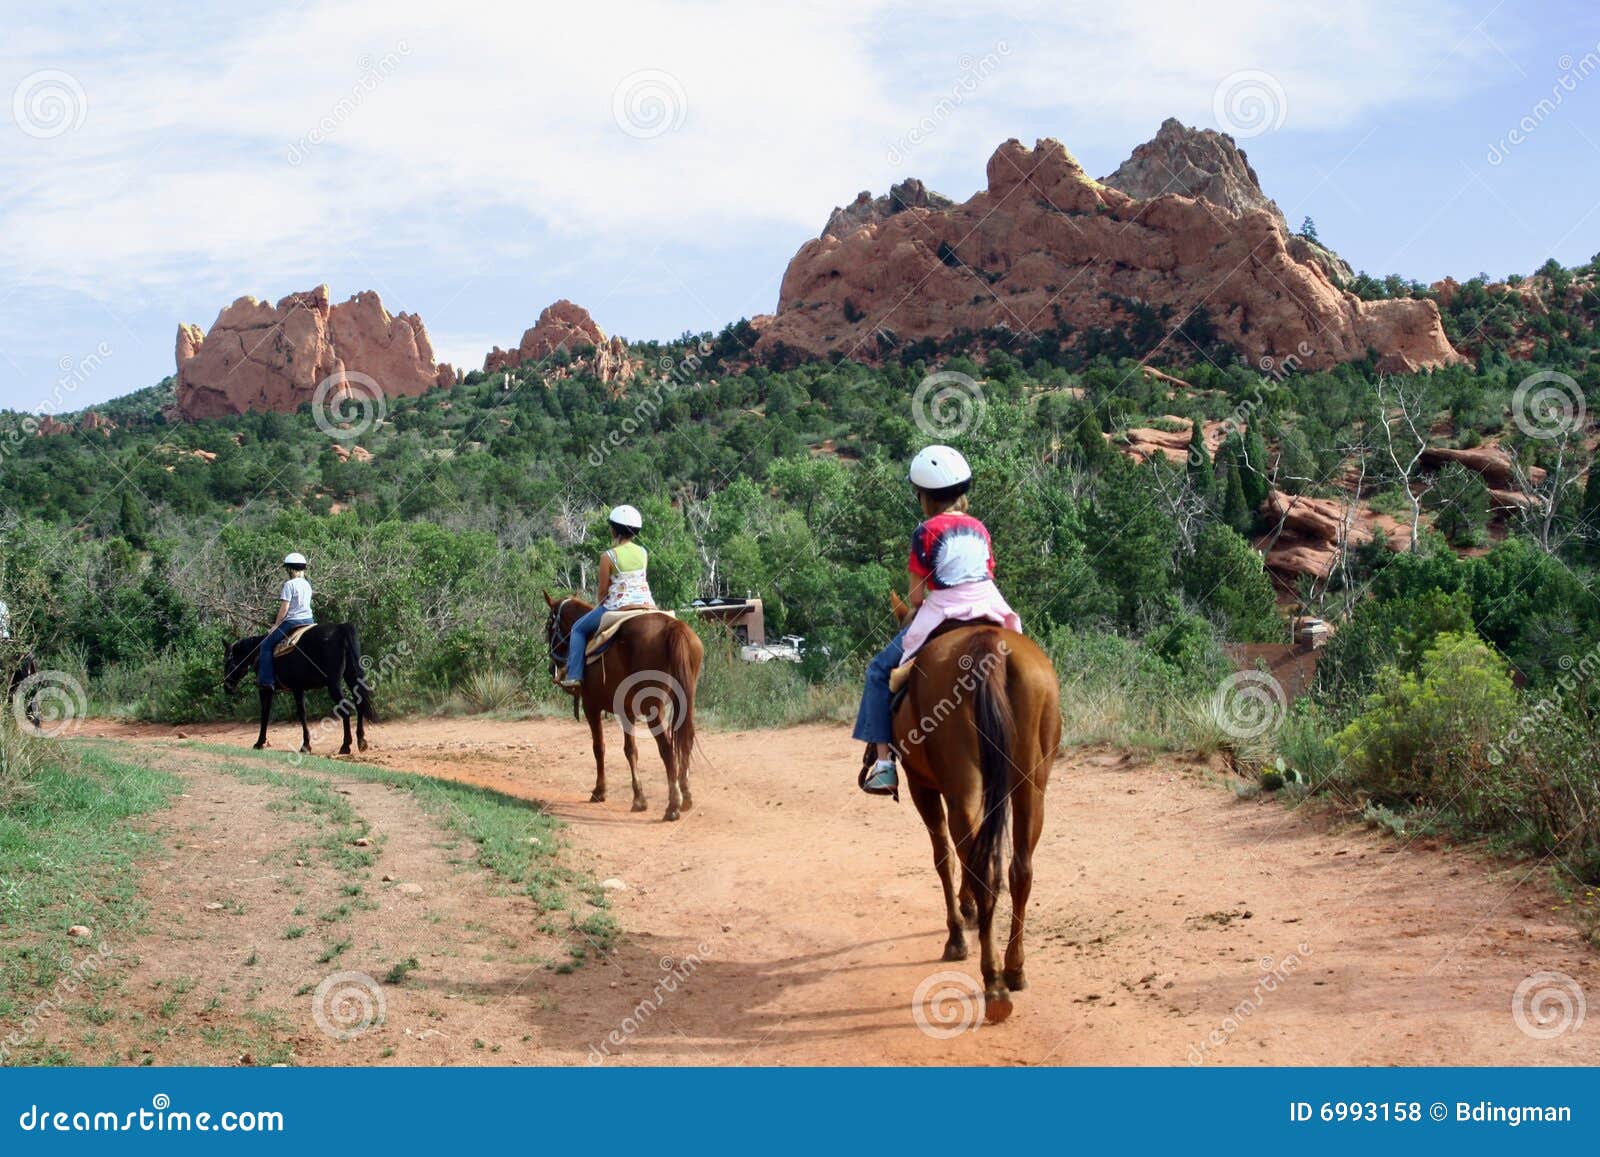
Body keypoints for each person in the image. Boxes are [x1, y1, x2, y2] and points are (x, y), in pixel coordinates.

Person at [856, 445, 1021, 796]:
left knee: (878, 671)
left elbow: (915, 597)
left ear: (924, 496)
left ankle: (884, 764)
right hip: (991, 606)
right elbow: (985, 574)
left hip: (944, 609)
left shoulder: (925, 531)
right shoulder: (979, 528)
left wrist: (921, 603)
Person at [559, 505, 653, 689]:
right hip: (646, 604)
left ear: (614, 529)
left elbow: (603, 592)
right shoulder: (643, 553)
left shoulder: (608, 556)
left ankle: (574, 675)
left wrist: (598, 605)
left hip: (618, 606)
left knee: (578, 629)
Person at [259, 552, 315, 689]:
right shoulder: (307, 584)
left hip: (293, 621)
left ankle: (266, 681)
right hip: (309, 620)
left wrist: (276, 625)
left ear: (290, 569)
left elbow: (284, 609)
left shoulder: (289, 585)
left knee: (265, 646)